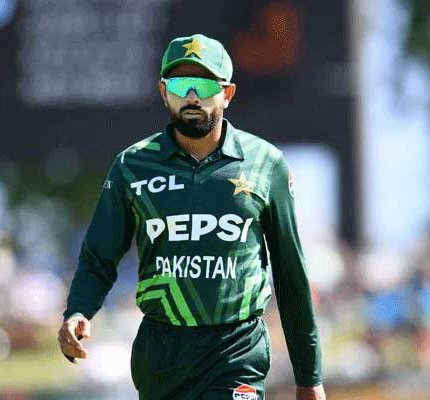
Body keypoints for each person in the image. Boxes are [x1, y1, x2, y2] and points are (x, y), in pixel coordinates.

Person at [58, 33, 325, 400]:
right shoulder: (132, 166)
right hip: (162, 352)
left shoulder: (266, 163)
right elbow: (99, 257)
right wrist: (78, 311)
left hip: (236, 347)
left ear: (227, 93)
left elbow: (292, 275)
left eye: (202, 84)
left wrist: (309, 378)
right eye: (181, 85)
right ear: (163, 92)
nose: (192, 97)